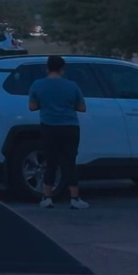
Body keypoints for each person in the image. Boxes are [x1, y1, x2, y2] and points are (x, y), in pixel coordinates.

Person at [27, 54, 89, 209]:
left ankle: (47, 197)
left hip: (49, 126)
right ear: (62, 69)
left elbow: (32, 107)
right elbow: (82, 107)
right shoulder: (72, 86)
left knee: (51, 162)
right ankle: (74, 198)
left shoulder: (37, 85)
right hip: (70, 126)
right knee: (70, 162)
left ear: (47, 68)